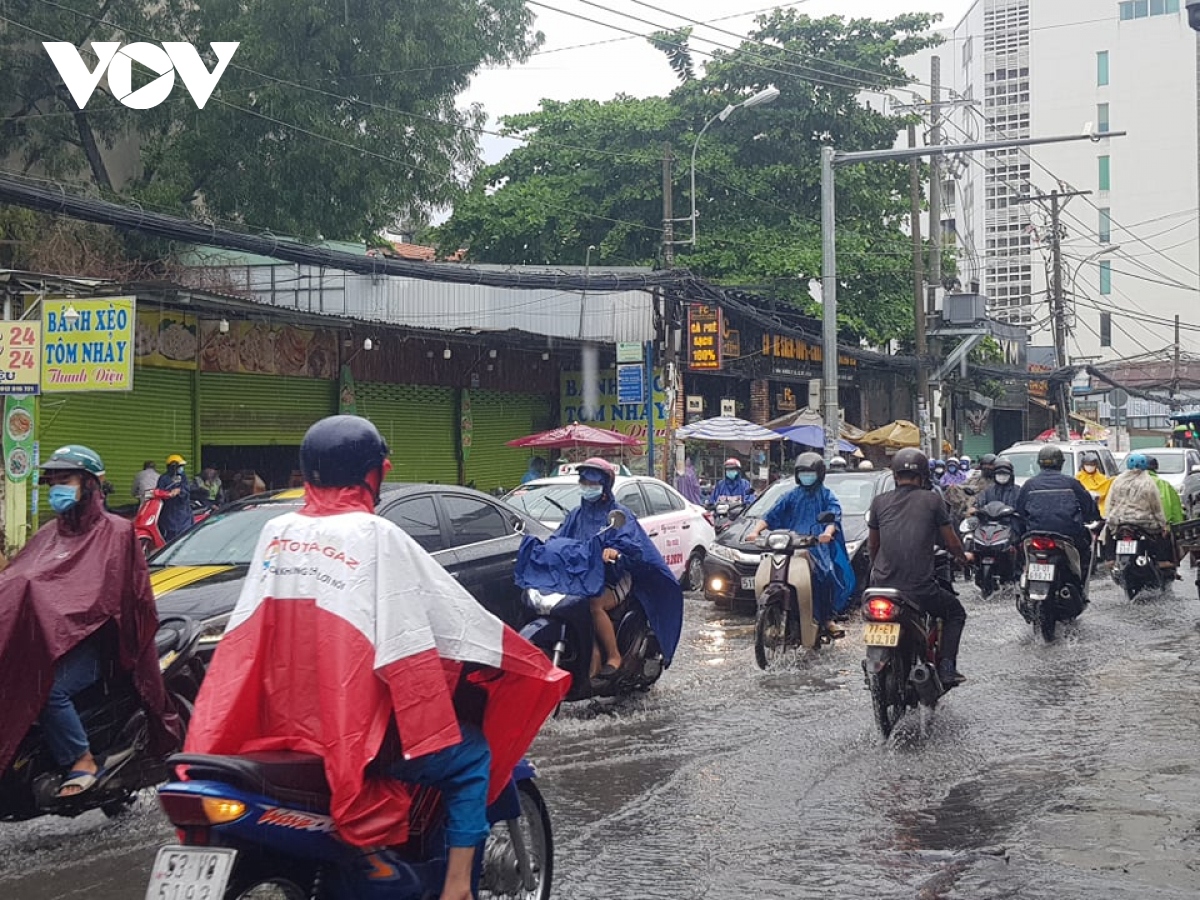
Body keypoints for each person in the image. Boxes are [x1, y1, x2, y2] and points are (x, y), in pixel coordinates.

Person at [184, 416, 568, 900]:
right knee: (471, 757)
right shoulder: (375, 535)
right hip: (353, 733)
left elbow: (248, 637)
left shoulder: (277, 531)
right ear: (372, 475)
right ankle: (456, 889)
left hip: (282, 726)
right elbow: (441, 621)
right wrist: (517, 658)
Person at [0, 445, 180, 799]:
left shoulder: (116, 532)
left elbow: (109, 594)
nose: (56, 488)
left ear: (89, 484)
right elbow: (20, 578)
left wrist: (56, 607)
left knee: (49, 690)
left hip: (96, 643)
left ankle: (81, 760)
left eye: (64, 480)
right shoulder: (49, 532)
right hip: (50, 638)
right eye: (52, 482)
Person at [867, 448, 972, 685]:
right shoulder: (933, 500)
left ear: (895, 475)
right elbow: (951, 540)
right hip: (919, 590)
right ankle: (946, 666)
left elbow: (873, 546)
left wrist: (878, 571)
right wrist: (962, 558)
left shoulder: (879, 502)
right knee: (955, 613)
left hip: (882, 588)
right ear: (923, 476)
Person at [745, 453, 856, 635]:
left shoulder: (827, 495)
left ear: (819, 474)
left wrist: (827, 533)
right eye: (803, 472)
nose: (806, 476)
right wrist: (755, 531)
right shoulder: (791, 496)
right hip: (791, 544)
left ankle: (827, 618)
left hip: (816, 546)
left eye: (810, 472)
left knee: (825, 575)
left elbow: (833, 517)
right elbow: (771, 515)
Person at [1014, 445, 1101, 585]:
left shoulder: (1029, 485)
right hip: (1067, 535)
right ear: (1061, 463)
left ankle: (1021, 581)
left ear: (1039, 463)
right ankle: (1079, 586)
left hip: (1034, 535)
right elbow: (1088, 507)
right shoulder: (1072, 483)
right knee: (1085, 551)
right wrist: (1092, 517)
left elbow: (1019, 511)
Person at [1107, 453, 1173, 566]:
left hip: (1119, 521)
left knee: (1108, 533)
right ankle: (1162, 561)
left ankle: (1110, 559)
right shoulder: (1148, 483)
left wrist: (1110, 519)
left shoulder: (1117, 481)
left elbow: (1110, 502)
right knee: (1163, 536)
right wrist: (1163, 524)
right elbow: (1156, 507)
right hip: (1144, 523)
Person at [154, 454, 192, 542]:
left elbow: (186, 490)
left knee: (184, 536)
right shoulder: (163, 478)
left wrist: (179, 491)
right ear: (173, 467)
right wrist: (167, 493)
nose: (182, 468)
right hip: (169, 512)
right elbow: (159, 491)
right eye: (180, 466)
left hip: (182, 512)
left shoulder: (183, 477)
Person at [1146, 456, 1185, 525]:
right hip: (1155, 526)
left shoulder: (1124, 483)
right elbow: (1175, 509)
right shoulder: (1163, 484)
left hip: (1126, 526)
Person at [1076, 450, 1113, 517]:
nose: (1089, 467)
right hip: (1084, 511)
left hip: (1100, 512)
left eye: (1092, 465)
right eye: (1087, 465)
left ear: (1096, 466)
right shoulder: (1078, 478)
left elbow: (1106, 492)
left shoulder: (1102, 478)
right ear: (1083, 465)